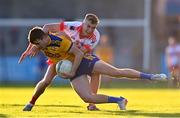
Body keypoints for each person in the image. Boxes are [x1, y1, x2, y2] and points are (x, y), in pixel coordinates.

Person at [22, 27, 167, 111]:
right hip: (63, 62)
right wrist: (32, 47)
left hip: (83, 60)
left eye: (37, 44)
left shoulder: (60, 42)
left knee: (116, 72)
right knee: (87, 98)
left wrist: (72, 72)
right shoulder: (41, 40)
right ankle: (119, 100)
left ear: (41, 40)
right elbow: (43, 29)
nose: (37, 47)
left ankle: (151, 77)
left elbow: (78, 53)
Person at [19, 13, 101, 110]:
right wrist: (35, 46)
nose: (90, 30)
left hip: (73, 57)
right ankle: (31, 102)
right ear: (83, 23)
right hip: (58, 55)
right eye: (88, 26)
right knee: (46, 82)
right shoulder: (72, 26)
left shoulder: (95, 36)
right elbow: (46, 27)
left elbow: (80, 52)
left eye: (93, 27)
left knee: (95, 73)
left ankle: (91, 105)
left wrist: (73, 69)